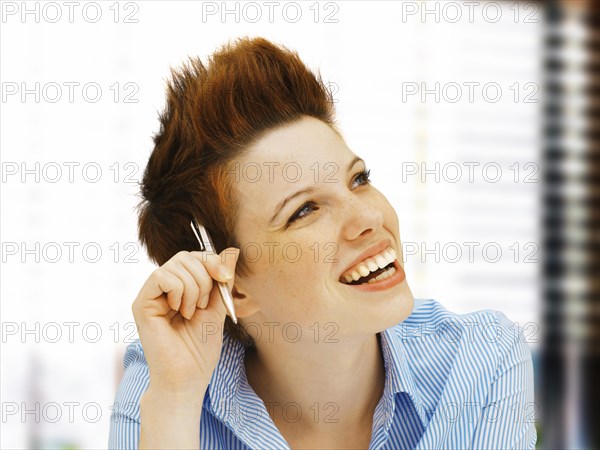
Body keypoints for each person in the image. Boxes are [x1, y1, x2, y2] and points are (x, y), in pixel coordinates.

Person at [108, 36, 537, 449]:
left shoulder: (479, 360)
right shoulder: (167, 381)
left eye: (359, 179)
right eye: (305, 210)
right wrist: (178, 400)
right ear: (234, 283)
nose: (369, 218)